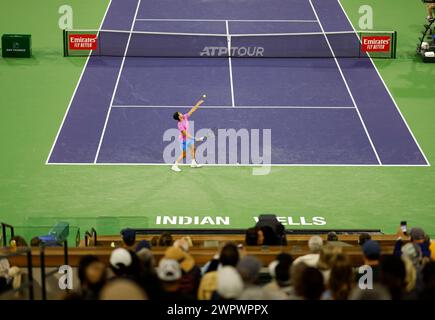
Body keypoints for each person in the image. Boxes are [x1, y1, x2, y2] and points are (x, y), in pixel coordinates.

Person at [171, 98, 205, 172]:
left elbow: (192, 111)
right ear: (178, 116)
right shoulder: (180, 125)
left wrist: (198, 104)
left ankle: (193, 163)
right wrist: (197, 139)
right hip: (184, 140)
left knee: (193, 148)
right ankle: (174, 165)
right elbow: (186, 135)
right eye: (180, 113)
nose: (181, 113)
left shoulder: (185, 117)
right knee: (184, 154)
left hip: (188, 138)